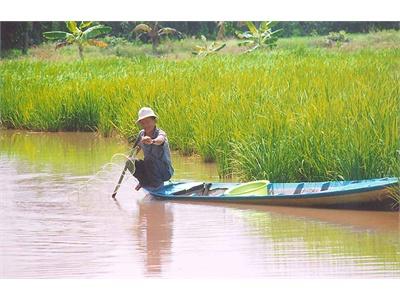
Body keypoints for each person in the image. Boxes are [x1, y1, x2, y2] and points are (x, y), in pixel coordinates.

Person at [126, 107, 174, 191]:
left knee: (149, 161)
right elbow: (135, 149)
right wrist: (129, 159)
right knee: (130, 162)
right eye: (143, 123)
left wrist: (152, 141)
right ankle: (144, 182)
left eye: (148, 122)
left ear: (154, 121)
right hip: (150, 169)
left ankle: (156, 184)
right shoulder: (141, 134)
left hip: (164, 171)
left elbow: (161, 140)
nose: (146, 125)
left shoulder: (160, 133)